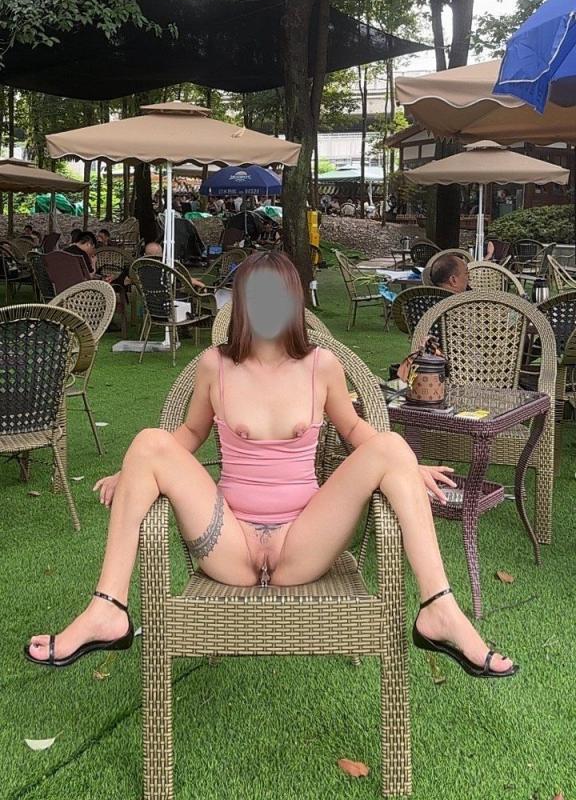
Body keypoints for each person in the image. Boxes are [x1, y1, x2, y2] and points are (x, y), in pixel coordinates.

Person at [24, 250, 515, 678]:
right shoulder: (215, 365)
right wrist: (137, 468)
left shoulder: (322, 365)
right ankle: (107, 609)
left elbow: (354, 431)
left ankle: (439, 610)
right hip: (229, 542)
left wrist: (404, 465)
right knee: (148, 441)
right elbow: (190, 433)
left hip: (302, 540)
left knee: (391, 447)